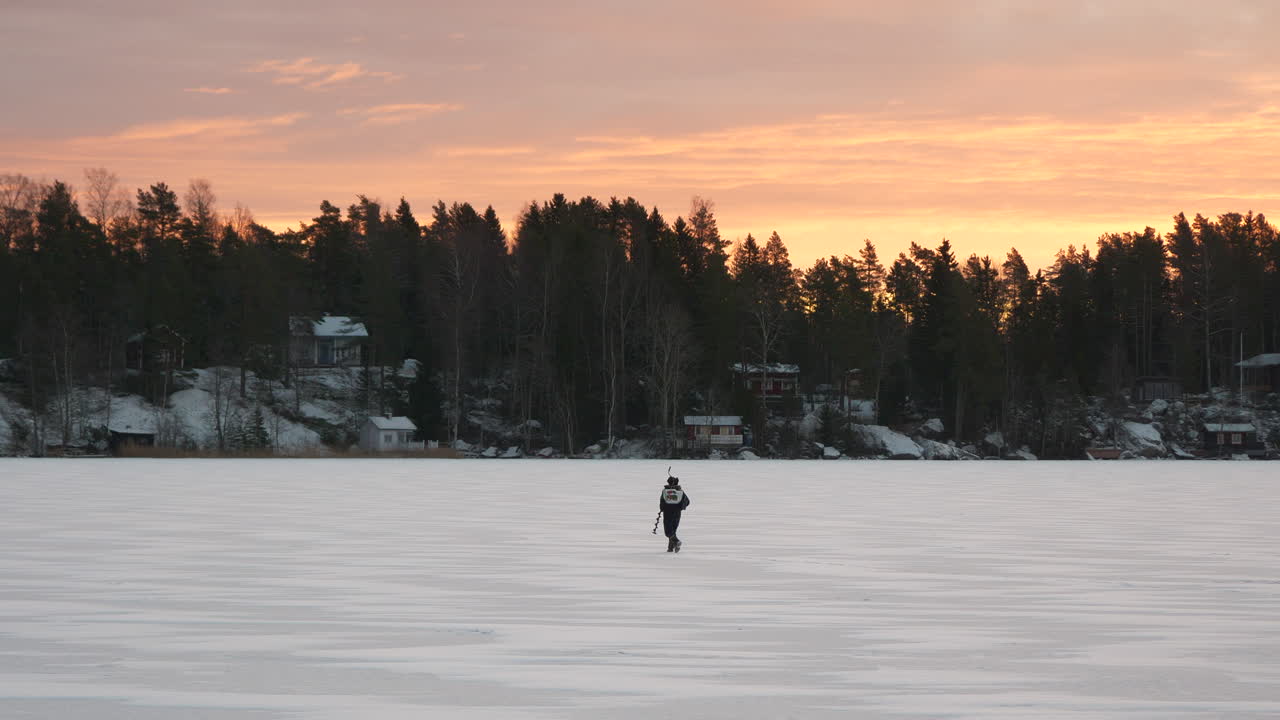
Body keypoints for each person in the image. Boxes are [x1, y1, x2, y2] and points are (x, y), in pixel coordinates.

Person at [659, 475, 690, 552]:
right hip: (677, 513)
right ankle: (671, 548)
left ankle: (676, 542)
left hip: (667, 512)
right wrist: (680, 507)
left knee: (668, 531)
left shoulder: (665, 492)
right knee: (673, 530)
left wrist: (662, 509)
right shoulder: (680, 492)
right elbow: (687, 502)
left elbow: (662, 502)